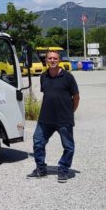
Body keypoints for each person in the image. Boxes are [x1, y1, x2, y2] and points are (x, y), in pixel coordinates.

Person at [27, 50, 80, 183]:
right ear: (46, 61)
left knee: (68, 146)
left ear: (59, 60)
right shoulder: (43, 76)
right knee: (38, 143)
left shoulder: (68, 77)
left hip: (64, 119)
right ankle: (41, 169)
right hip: (45, 118)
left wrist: (70, 112)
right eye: (49, 58)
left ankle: (63, 169)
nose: (52, 60)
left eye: (55, 58)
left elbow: (76, 97)